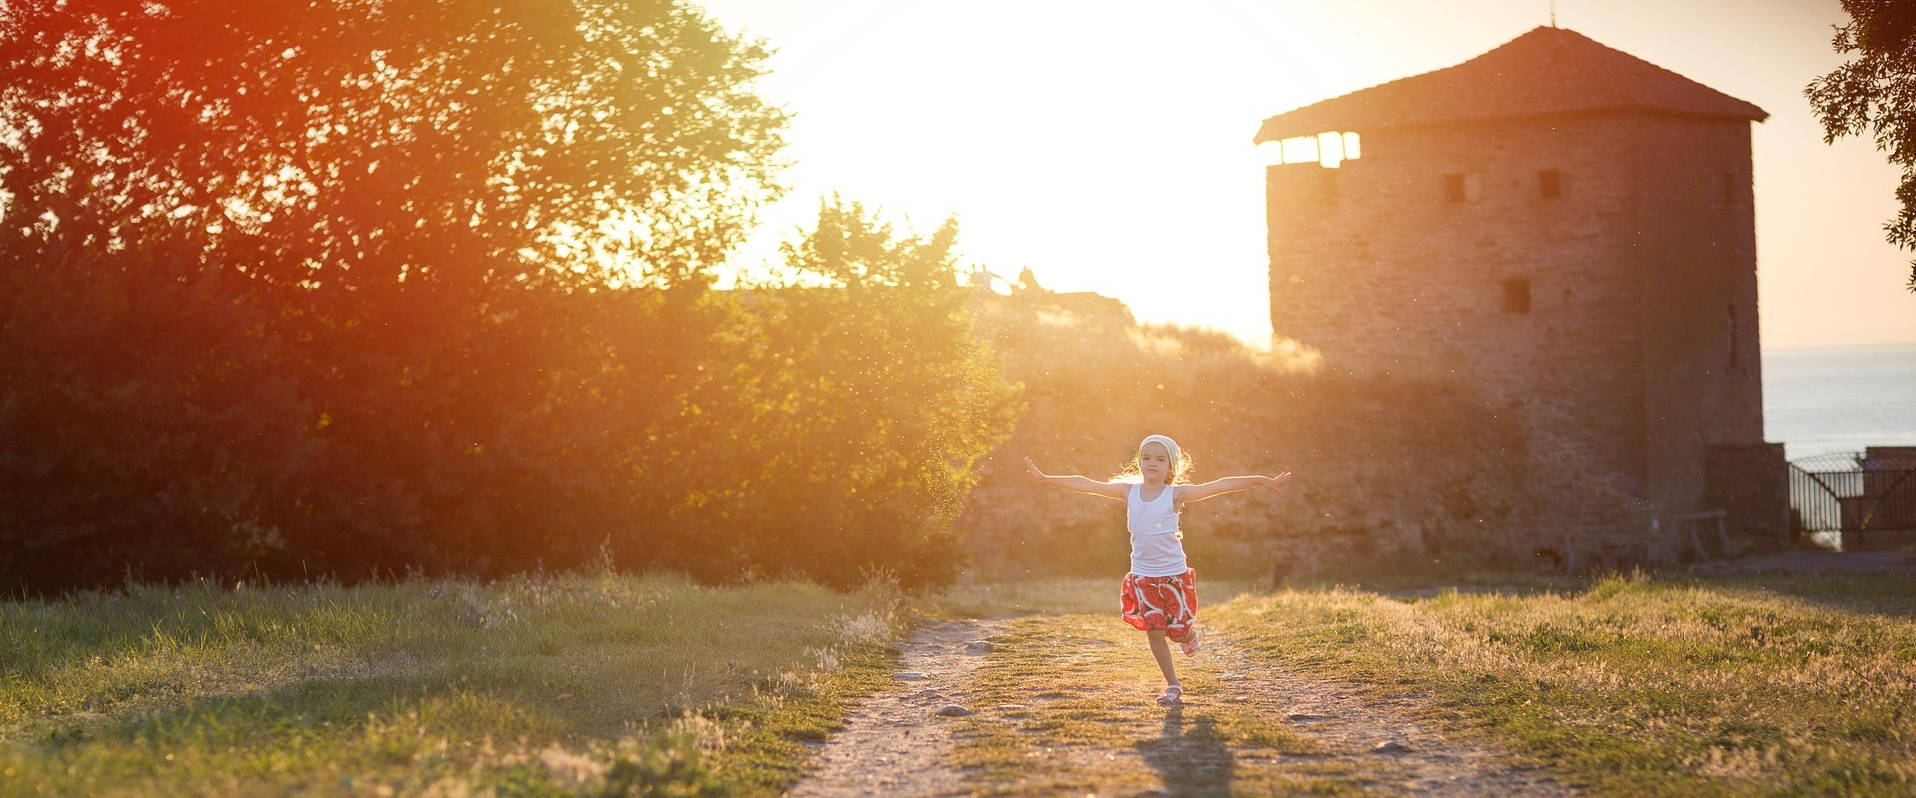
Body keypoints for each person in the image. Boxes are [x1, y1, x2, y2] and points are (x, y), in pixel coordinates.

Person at [1024, 435, 1291, 705]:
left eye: (1160, 459)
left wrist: (1260, 480)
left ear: (1170, 467)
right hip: (1143, 577)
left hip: (1174, 576)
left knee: (1177, 632)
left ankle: (1188, 635)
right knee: (1154, 631)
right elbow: (1086, 483)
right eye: (1147, 457)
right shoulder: (1128, 491)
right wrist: (1046, 478)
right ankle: (1173, 685)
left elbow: (1220, 485)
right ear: (1139, 461)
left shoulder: (1176, 495)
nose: (1152, 463)